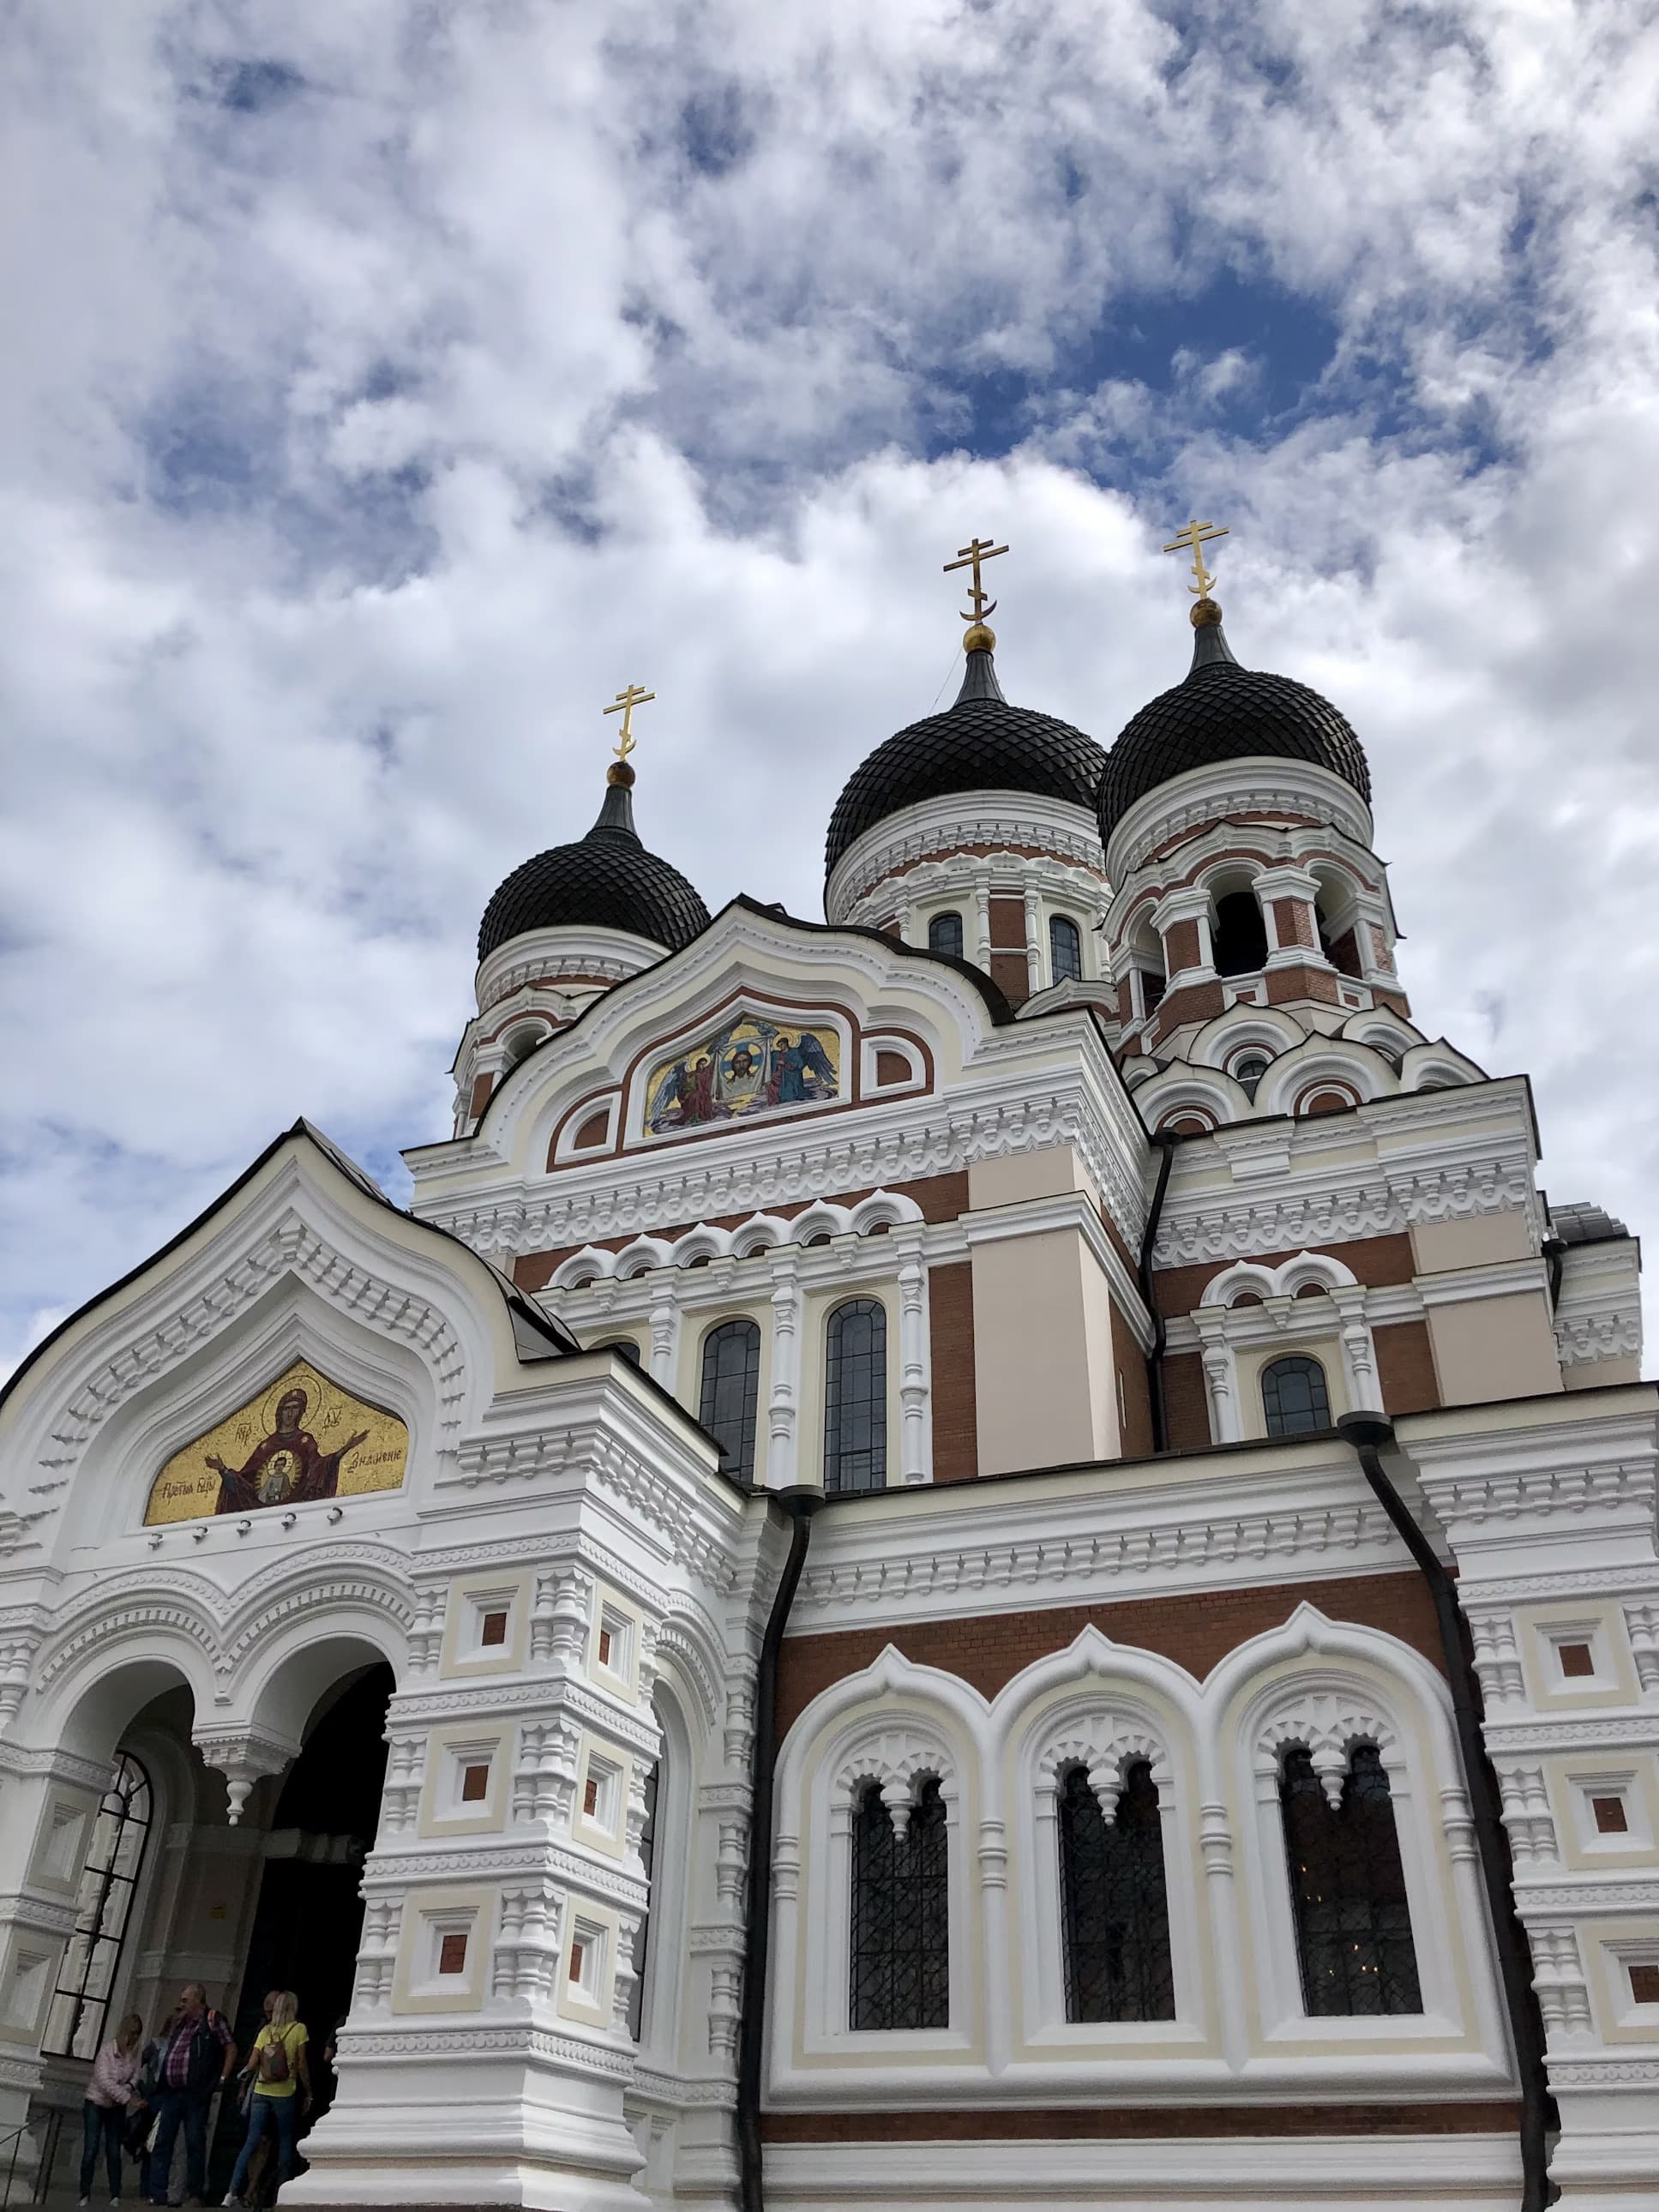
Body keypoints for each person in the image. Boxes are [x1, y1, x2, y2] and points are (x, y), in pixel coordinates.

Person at [206, 1390, 367, 1515]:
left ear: (302, 1412)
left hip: (300, 1508)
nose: (290, 1414)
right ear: (280, 1412)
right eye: (286, 1409)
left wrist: (345, 1449)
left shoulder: (305, 1440)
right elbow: (244, 1484)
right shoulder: (266, 1446)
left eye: (295, 1409)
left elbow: (319, 1468)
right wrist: (223, 1470)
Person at [147, 1984, 236, 2208]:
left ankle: (194, 2193)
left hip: (196, 2093)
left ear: (198, 2000)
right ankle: (157, 2193)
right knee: (163, 2141)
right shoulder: (181, 2023)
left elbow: (231, 2047)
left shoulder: (213, 2020)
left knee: (195, 2142)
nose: (181, 2004)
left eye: (185, 2000)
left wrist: (222, 2078)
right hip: (172, 2092)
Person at [222, 1991, 310, 2207]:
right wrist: (309, 2091)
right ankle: (281, 2194)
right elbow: (301, 2064)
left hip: (261, 2091)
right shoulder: (298, 2029)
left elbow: (252, 2064)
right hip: (284, 2092)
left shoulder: (265, 2031)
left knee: (251, 2141)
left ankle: (231, 2192)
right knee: (285, 2141)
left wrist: (241, 2078)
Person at [79, 2012, 143, 2205]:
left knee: (114, 2151)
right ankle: (84, 2193)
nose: (133, 2038)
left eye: (137, 2034)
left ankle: (115, 2194)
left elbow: (135, 2077)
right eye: (131, 2033)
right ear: (123, 2031)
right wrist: (128, 2098)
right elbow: (104, 2081)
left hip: (116, 2107)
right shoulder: (106, 2051)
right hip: (96, 2103)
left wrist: (127, 2089)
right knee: (91, 2148)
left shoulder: (133, 2056)